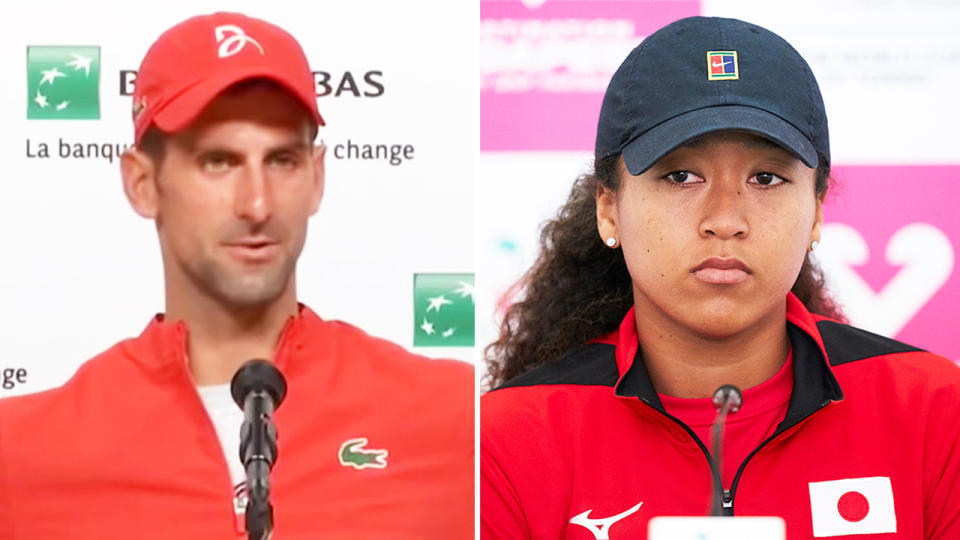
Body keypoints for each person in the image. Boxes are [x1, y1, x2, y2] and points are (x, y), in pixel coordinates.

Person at [481, 16, 960, 540]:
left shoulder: (937, 412)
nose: (725, 219)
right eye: (680, 176)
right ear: (609, 209)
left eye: (766, 178)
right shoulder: (506, 439)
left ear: (817, 211)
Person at [0, 12, 472, 540]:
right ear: (141, 182)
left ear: (317, 177)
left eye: (282, 160)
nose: (257, 203)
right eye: (218, 161)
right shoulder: (20, 458)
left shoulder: (459, 422)